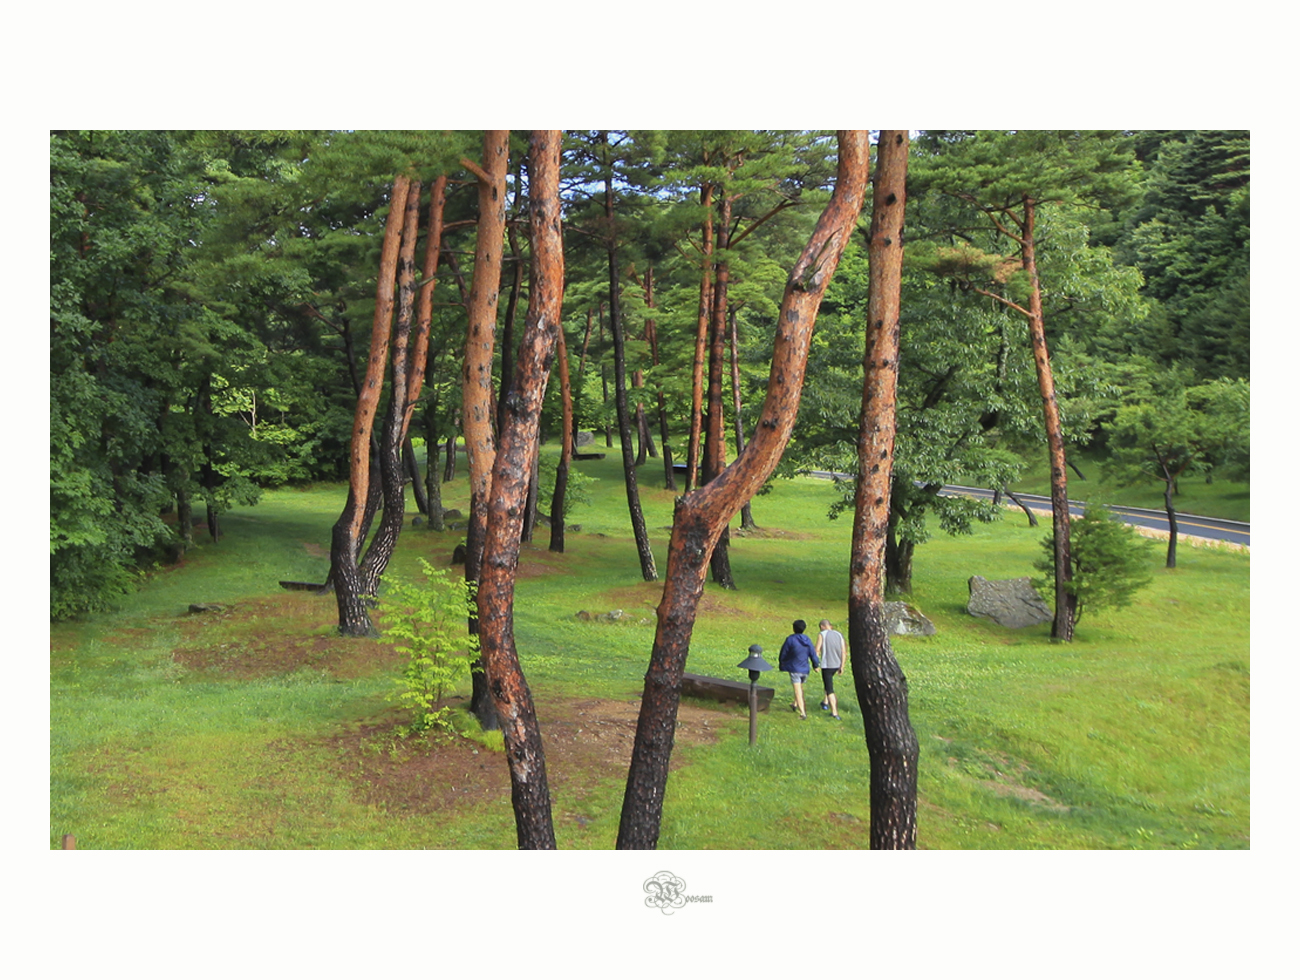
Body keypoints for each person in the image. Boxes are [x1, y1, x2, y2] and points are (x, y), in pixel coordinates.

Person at [778, 620, 819, 719]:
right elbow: (813, 654)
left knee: (798, 691)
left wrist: (782, 662)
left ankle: (802, 713)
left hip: (795, 668)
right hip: (805, 669)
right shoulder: (807, 640)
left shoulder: (790, 639)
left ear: (793, 628)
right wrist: (816, 665)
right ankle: (795, 704)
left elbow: (784, 652)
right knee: (800, 687)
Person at [815, 619, 846, 719]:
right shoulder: (839, 635)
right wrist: (842, 665)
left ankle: (834, 712)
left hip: (827, 665)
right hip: (837, 664)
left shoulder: (822, 635)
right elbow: (843, 651)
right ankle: (825, 702)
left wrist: (816, 664)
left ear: (822, 626)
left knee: (829, 689)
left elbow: (817, 649)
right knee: (827, 683)